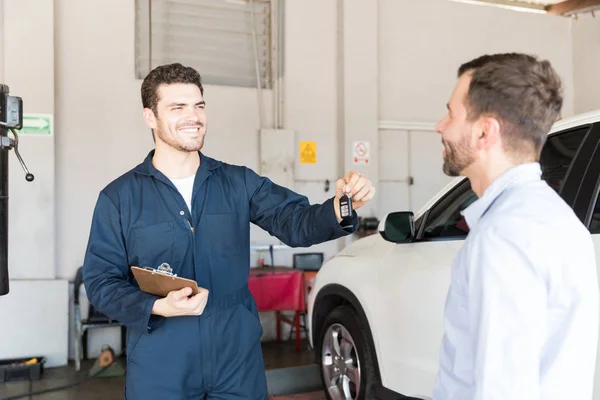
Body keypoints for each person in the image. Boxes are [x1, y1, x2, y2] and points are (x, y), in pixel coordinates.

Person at [82, 63, 375, 400]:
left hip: (236, 360)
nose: (193, 116)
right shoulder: (120, 197)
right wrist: (157, 307)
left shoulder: (238, 182)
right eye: (178, 107)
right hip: (161, 361)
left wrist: (340, 205)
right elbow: (102, 282)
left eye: (199, 106)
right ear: (150, 117)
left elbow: (296, 222)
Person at [432, 53, 599, 399]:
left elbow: (501, 389)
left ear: (484, 132)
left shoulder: (502, 238)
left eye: (451, 113)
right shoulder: (557, 218)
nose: (440, 126)